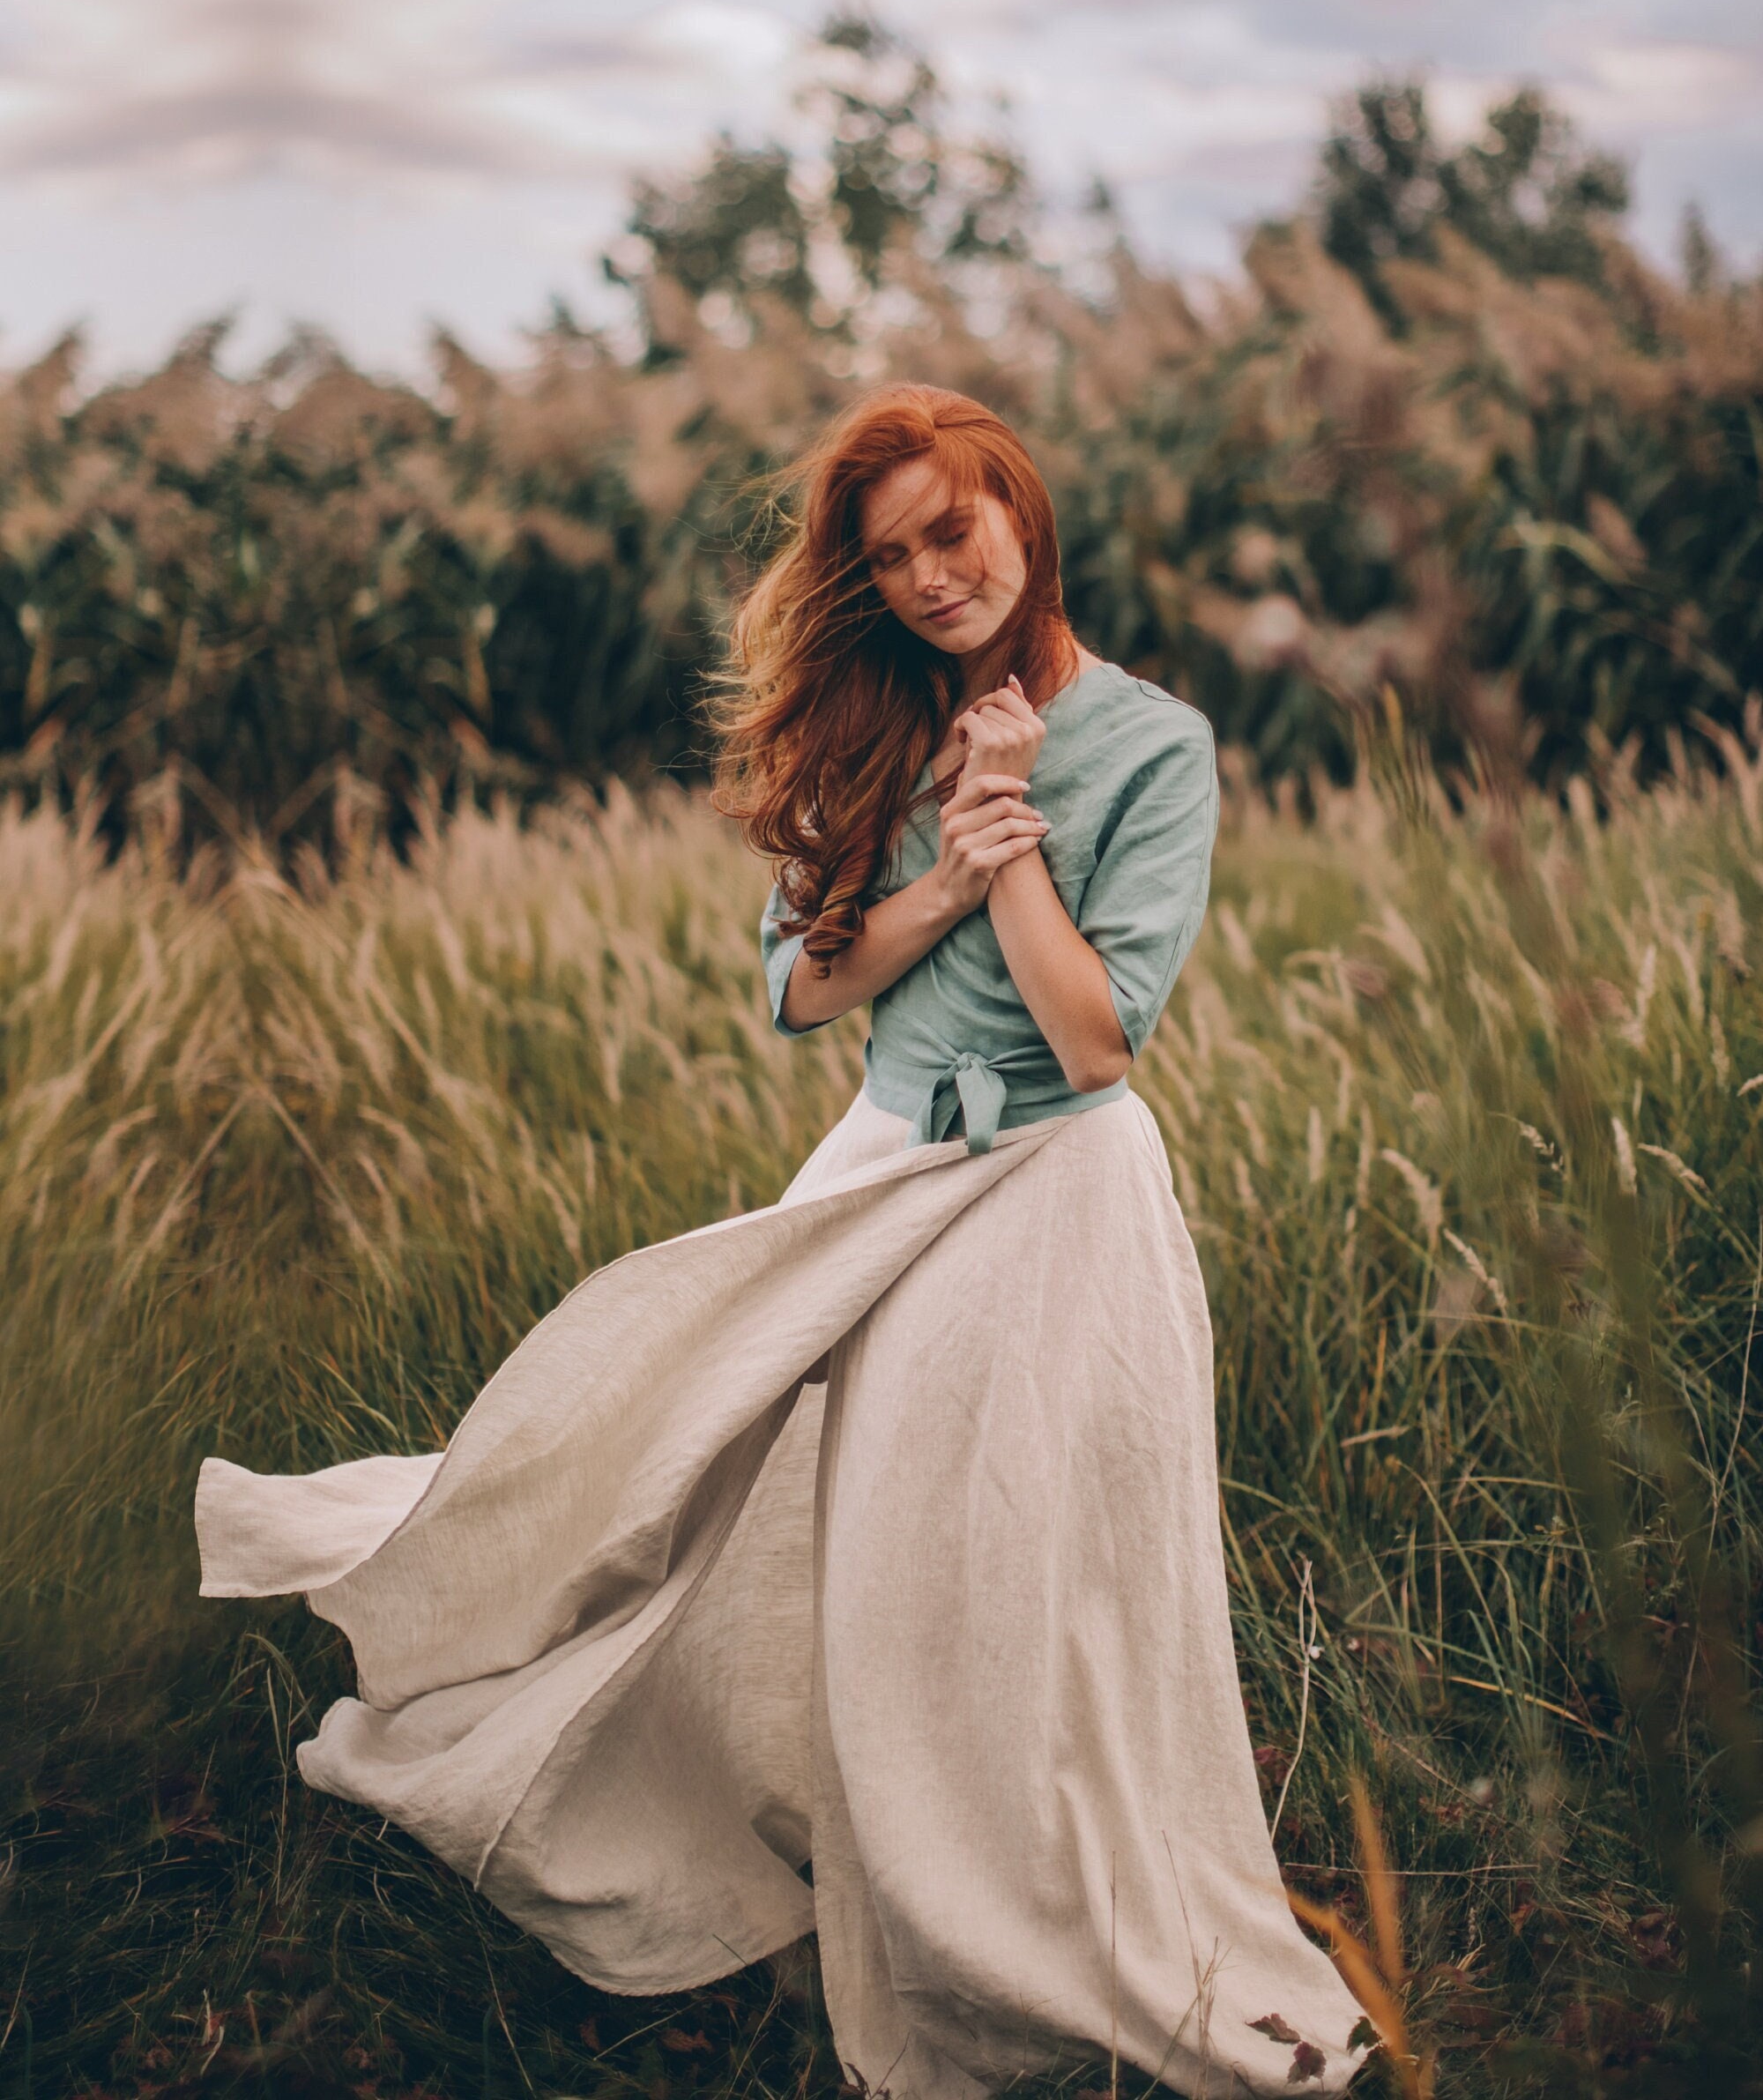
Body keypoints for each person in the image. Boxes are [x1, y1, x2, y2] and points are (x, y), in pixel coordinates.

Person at [195, 384, 1368, 2099]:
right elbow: (802, 991)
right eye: (889, 558)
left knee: (1040, 1568)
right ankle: (860, 1850)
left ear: (1020, 510)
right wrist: (943, 874)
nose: (929, 576)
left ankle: (1038, 1902)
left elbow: (1096, 1042)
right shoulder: (874, 720)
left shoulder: (1155, 746)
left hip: (1056, 1190)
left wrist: (1009, 837)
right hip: (878, 1167)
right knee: (799, 1523)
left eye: (951, 531)